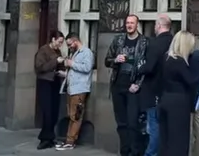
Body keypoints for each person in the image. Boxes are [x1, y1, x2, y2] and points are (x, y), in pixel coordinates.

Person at [104, 14, 150, 156]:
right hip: (118, 85)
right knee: (121, 123)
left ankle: (135, 152)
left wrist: (137, 84)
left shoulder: (144, 42)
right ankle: (125, 151)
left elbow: (147, 66)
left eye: (132, 23)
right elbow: (107, 60)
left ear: (137, 25)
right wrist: (115, 60)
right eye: (127, 23)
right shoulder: (118, 40)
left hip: (133, 88)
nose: (129, 25)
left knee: (133, 122)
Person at [157, 31, 199, 156]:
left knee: (166, 138)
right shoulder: (179, 62)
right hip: (178, 103)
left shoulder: (166, 58)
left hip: (165, 98)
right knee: (178, 139)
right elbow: (190, 81)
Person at [139, 15, 175, 156]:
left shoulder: (155, 43)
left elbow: (149, 67)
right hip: (170, 91)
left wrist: (140, 68)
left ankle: (150, 154)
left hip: (153, 90)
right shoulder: (174, 42)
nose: (154, 28)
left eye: (155, 25)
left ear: (159, 26)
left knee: (153, 127)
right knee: (164, 127)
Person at [57, 31, 94, 152]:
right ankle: (68, 140)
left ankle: (70, 141)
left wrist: (72, 64)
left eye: (69, 44)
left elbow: (87, 68)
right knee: (72, 115)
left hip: (80, 89)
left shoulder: (86, 52)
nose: (68, 47)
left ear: (75, 41)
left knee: (76, 116)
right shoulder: (75, 53)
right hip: (71, 89)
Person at [34, 30, 65, 150]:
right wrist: (55, 61)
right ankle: (44, 138)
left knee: (54, 111)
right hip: (45, 83)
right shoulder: (43, 50)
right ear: (53, 39)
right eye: (59, 42)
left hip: (55, 82)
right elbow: (40, 67)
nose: (60, 44)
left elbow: (57, 68)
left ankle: (50, 137)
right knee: (47, 111)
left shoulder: (57, 51)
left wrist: (62, 70)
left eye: (61, 42)